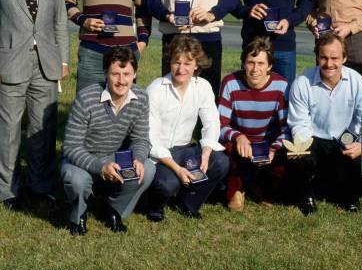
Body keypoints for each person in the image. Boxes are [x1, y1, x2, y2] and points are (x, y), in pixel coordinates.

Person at [0, 0, 69, 210]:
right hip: (10, 63)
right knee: (9, 129)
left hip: (47, 63)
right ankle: (7, 189)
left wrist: (64, 58)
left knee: (43, 128)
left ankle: (40, 185)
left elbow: (59, 19)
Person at [60, 47, 155, 235]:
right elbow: (70, 147)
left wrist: (138, 157)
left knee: (148, 169)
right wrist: (100, 167)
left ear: (134, 73)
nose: (121, 81)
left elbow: (141, 138)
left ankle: (114, 209)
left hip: (114, 156)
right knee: (76, 180)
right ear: (105, 73)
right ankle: (79, 213)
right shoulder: (86, 98)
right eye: (115, 74)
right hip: (81, 158)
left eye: (127, 74)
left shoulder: (141, 97)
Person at [146, 35, 229, 222]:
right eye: (177, 62)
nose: (181, 69)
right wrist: (176, 168)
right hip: (159, 154)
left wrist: (206, 153)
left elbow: (211, 123)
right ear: (170, 62)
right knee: (168, 184)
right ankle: (155, 204)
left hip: (185, 148)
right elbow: (150, 139)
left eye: (187, 63)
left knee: (221, 162)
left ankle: (188, 202)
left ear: (196, 65)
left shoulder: (203, 87)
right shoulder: (156, 89)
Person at [288, 32, 362, 214]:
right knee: (299, 157)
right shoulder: (302, 82)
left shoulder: (358, 83)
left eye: (334, 58)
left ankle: (350, 197)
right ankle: (306, 196)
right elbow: (299, 122)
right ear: (317, 57)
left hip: (346, 135)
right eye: (324, 57)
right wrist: (301, 146)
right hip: (314, 136)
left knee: (359, 156)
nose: (329, 63)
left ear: (344, 58)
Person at [218, 37, 289, 212]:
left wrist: (273, 148)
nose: (255, 69)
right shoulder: (230, 83)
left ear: (270, 66)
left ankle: (262, 189)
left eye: (261, 63)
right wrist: (238, 137)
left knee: (286, 152)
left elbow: (286, 128)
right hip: (241, 142)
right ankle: (236, 189)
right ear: (243, 63)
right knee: (227, 146)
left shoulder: (282, 86)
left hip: (268, 143)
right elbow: (220, 125)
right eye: (250, 62)